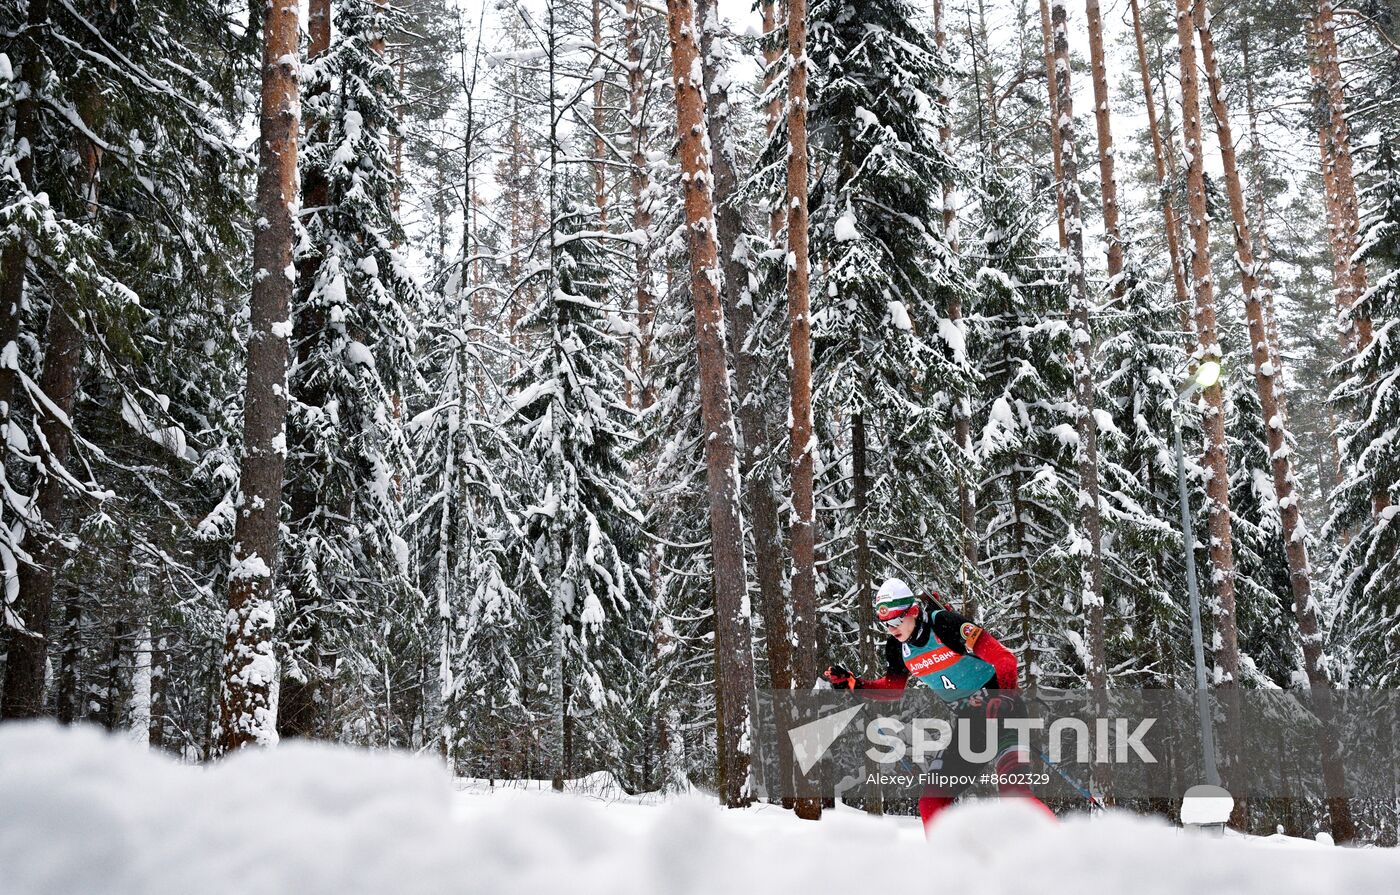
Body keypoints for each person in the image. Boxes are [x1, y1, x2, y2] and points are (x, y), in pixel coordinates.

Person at [822, 577, 1053, 830]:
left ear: (913, 611)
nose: (892, 629)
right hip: (971, 728)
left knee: (1015, 795)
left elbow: (1004, 658)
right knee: (931, 801)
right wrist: (855, 684)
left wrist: (1005, 696)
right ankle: (949, 855)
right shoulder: (897, 647)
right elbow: (892, 690)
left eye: (896, 621)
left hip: (1004, 714)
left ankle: (1062, 846)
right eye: (885, 624)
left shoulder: (943, 623)